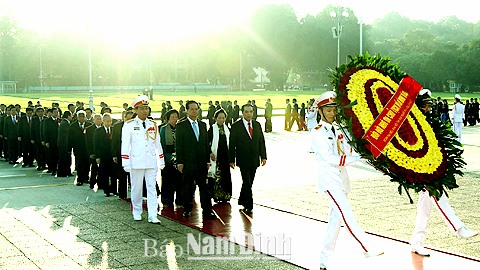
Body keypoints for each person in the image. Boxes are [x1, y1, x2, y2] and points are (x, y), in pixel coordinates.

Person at [311, 91, 383, 269]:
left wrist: (364, 152)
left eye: (334, 110)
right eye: (328, 110)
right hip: (329, 180)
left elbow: (348, 151)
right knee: (346, 213)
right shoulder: (317, 132)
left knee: (335, 221)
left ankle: (324, 257)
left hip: (341, 179)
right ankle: (366, 247)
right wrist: (357, 159)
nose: (332, 113)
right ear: (320, 111)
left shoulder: (339, 129)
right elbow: (329, 159)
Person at [410, 89, 478, 256]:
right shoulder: (413, 124)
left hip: (431, 167)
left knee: (424, 208)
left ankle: (416, 241)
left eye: (429, 105)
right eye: (425, 106)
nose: (428, 108)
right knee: (438, 196)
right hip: (422, 170)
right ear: (419, 106)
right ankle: (459, 227)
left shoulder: (429, 122)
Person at [122, 95, 165, 224]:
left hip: (151, 161)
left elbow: (158, 143)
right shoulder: (129, 125)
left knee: (152, 189)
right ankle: (137, 211)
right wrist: (126, 162)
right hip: (136, 162)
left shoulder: (153, 124)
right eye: (141, 109)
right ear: (136, 110)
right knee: (137, 188)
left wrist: (161, 160)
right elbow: (125, 145)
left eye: (146, 108)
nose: (145, 111)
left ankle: (153, 214)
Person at [176, 100, 214, 219]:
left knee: (204, 188)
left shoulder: (203, 125)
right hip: (188, 163)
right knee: (187, 187)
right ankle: (187, 209)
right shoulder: (181, 126)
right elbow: (179, 145)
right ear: (186, 111)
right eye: (192, 109)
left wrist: (207, 160)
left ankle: (207, 210)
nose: (194, 111)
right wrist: (180, 162)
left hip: (201, 162)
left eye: (196, 109)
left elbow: (205, 144)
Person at [228, 103, 267, 214]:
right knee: (246, 180)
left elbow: (261, 141)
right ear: (242, 113)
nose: (249, 114)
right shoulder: (236, 126)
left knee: (249, 183)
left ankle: (242, 200)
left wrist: (263, 156)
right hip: (243, 159)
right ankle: (249, 205)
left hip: (255, 158)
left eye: (251, 111)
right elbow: (232, 144)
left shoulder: (257, 125)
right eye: (246, 112)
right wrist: (231, 159)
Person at [159, 109, 183, 207]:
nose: (175, 119)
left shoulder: (181, 128)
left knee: (180, 181)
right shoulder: (163, 129)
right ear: (168, 119)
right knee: (167, 181)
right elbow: (161, 144)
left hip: (179, 159)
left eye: (176, 117)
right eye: (172, 117)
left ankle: (180, 201)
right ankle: (167, 201)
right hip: (168, 159)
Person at [208, 109, 232, 203]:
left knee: (225, 176)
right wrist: (210, 153)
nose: (221, 120)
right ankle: (216, 196)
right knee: (216, 177)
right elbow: (207, 142)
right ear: (215, 118)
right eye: (219, 118)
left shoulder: (227, 130)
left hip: (225, 157)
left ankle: (225, 196)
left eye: (223, 118)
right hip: (215, 157)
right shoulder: (212, 129)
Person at [112, 110, 133, 199]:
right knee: (122, 176)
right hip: (121, 154)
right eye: (128, 119)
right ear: (124, 118)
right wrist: (114, 154)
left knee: (133, 176)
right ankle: (122, 195)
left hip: (133, 155)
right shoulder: (117, 126)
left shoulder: (136, 126)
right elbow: (114, 141)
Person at [68, 110, 91, 186]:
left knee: (87, 164)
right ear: (77, 117)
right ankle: (79, 179)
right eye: (80, 117)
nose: (81, 118)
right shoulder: (73, 126)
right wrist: (69, 148)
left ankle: (86, 177)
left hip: (87, 148)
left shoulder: (89, 125)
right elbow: (70, 138)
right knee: (80, 164)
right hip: (78, 148)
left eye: (83, 117)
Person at [95, 113, 114, 196]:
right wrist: (97, 156)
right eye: (107, 121)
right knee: (105, 174)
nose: (108, 123)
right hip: (103, 156)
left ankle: (113, 189)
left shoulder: (113, 130)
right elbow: (96, 145)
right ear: (103, 121)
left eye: (110, 121)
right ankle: (106, 190)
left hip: (112, 156)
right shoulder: (98, 131)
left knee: (113, 174)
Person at [85, 114, 103, 189]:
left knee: (101, 170)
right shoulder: (89, 129)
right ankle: (92, 183)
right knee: (94, 169)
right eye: (97, 119)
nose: (99, 121)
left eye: (100, 119)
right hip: (93, 152)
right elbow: (88, 142)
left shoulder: (103, 128)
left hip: (101, 152)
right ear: (93, 120)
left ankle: (100, 184)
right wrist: (90, 153)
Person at [57, 111, 73, 177]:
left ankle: (66, 172)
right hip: (64, 144)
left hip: (63, 144)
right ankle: (62, 172)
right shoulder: (65, 124)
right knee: (64, 159)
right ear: (68, 116)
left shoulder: (64, 122)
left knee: (66, 159)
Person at [44, 108, 60, 174]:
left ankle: (57, 168)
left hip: (58, 141)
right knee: (51, 156)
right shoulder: (47, 121)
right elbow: (45, 131)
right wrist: (46, 141)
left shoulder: (59, 120)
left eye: (57, 112)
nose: (56, 114)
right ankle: (52, 169)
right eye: (55, 112)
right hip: (51, 141)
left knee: (58, 155)